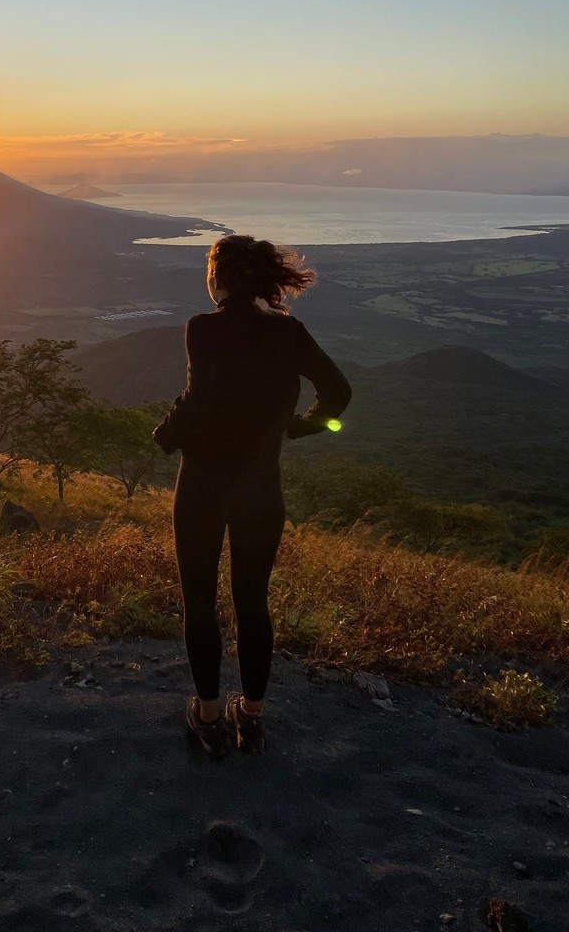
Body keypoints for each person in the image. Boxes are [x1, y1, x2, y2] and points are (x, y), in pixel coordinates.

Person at [152, 233, 351, 757]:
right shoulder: (288, 333)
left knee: (200, 600)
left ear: (216, 277)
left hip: (202, 484)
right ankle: (252, 718)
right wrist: (303, 426)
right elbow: (338, 392)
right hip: (261, 485)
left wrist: (165, 435)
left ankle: (210, 716)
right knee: (252, 601)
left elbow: (197, 400)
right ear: (262, 280)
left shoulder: (203, 329)